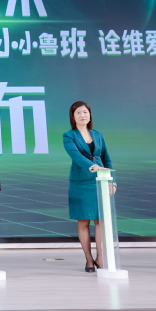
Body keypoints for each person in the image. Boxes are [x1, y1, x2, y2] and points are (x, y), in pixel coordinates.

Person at [62, 101, 116, 273]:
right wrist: (93, 167)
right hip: (81, 181)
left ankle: (100, 258)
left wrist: (112, 180)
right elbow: (76, 156)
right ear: (73, 117)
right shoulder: (68, 135)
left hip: (100, 180)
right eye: (78, 113)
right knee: (83, 220)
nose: (82, 115)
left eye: (85, 112)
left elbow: (106, 158)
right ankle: (88, 259)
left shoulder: (98, 134)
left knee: (100, 220)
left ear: (90, 115)